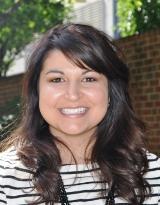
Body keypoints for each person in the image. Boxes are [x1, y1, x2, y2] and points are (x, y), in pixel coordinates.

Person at [0, 23, 159, 205]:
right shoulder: (5, 179)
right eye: (57, 79)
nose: (73, 95)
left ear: (110, 92)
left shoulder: (151, 174)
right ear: (37, 92)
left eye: (89, 78)